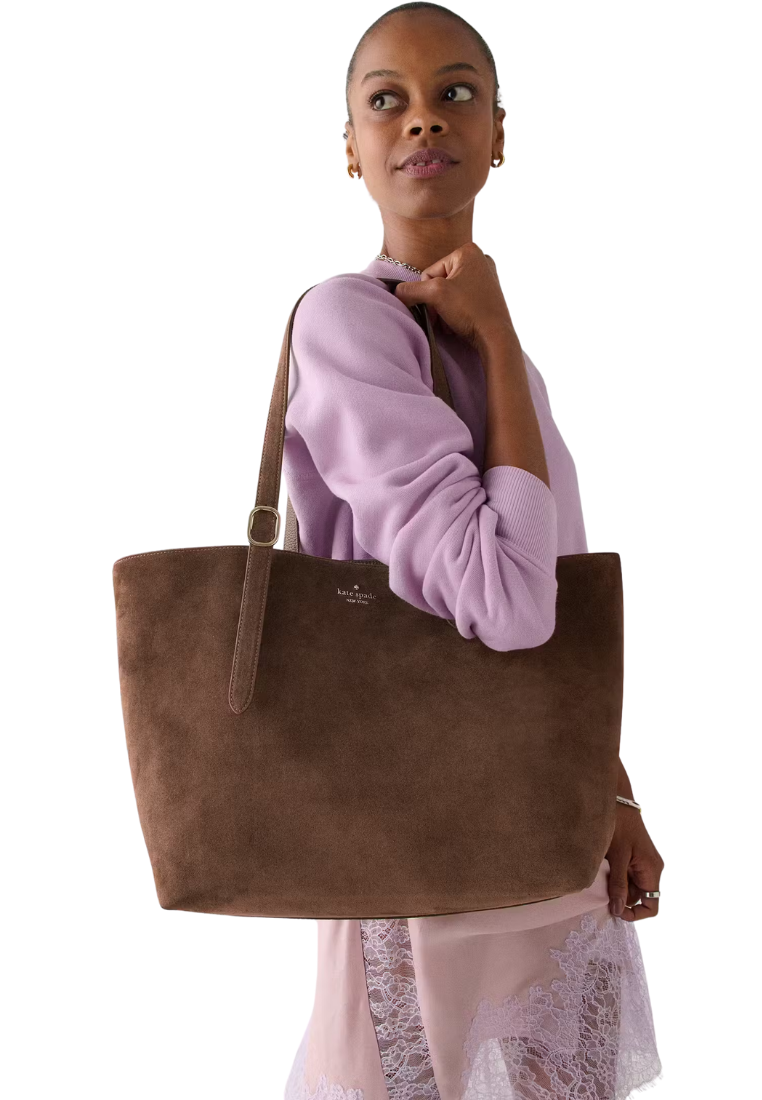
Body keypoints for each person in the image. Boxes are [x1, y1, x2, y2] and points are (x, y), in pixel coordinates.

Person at [281, 4, 664, 1098]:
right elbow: (507, 602)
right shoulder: (348, 324)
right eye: (386, 101)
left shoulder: (507, 361)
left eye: (456, 93)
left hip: (540, 826)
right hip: (425, 840)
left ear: (500, 134)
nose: (422, 120)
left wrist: (615, 794)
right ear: (349, 147)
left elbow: (552, 607)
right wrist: (491, 334)